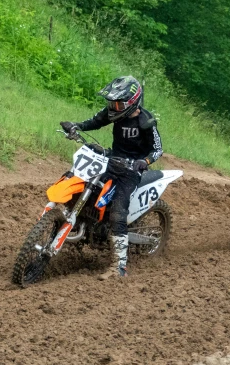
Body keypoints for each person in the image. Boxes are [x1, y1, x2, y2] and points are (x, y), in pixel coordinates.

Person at [60, 75, 163, 278]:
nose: (114, 107)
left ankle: (119, 267)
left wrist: (146, 162)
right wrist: (76, 126)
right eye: (112, 103)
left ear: (131, 101)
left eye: (118, 103)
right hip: (111, 160)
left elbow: (158, 149)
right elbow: (95, 122)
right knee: (80, 181)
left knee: (117, 210)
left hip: (131, 171)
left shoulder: (146, 122)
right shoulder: (115, 113)